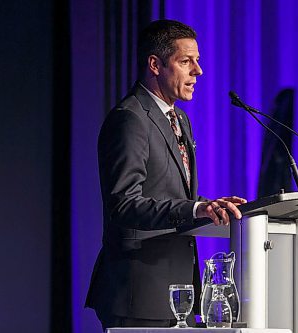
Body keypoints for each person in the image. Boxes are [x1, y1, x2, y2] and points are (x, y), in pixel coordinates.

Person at [85, 19, 246, 329]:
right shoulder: (130, 119)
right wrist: (195, 208)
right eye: (186, 61)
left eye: (197, 61)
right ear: (155, 65)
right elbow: (124, 204)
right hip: (140, 291)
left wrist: (208, 206)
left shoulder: (179, 119)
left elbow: (168, 195)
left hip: (176, 292)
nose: (197, 71)